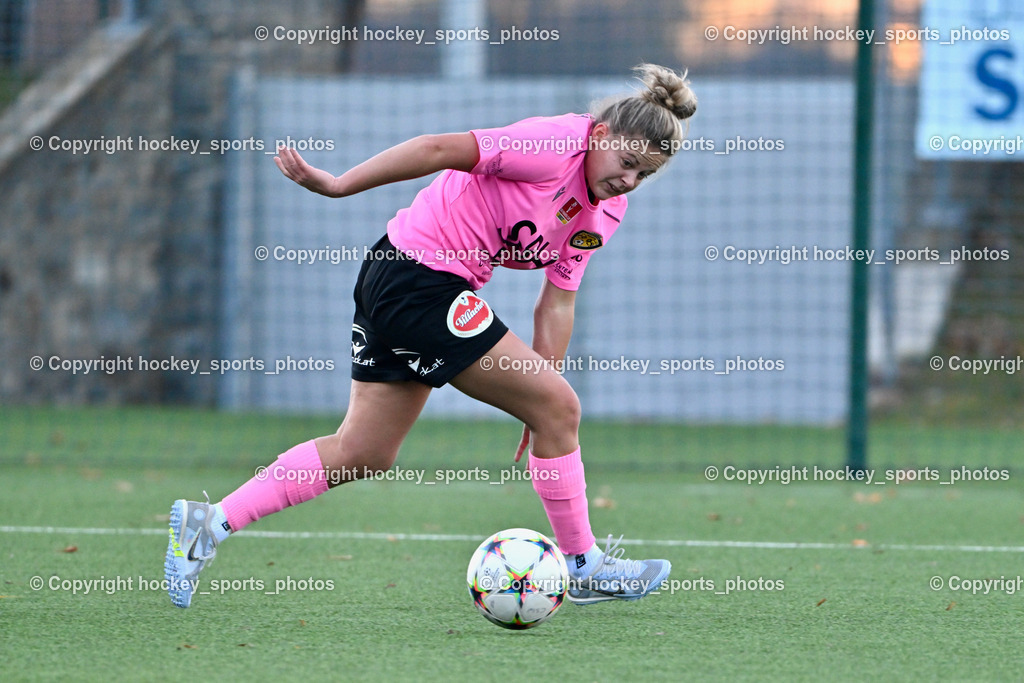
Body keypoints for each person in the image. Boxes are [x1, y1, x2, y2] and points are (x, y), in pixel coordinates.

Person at [165, 63, 697, 608]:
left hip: (404, 284)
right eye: (628, 163)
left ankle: (210, 523)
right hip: (415, 280)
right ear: (602, 135)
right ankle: (584, 565)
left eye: (643, 175)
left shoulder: (606, 210)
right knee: (559, 407)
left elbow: (558, 300)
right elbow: (437, 147)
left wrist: (542, 398)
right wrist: (340, 184)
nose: (629, 180)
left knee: (363, 451)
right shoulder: (553, 143)